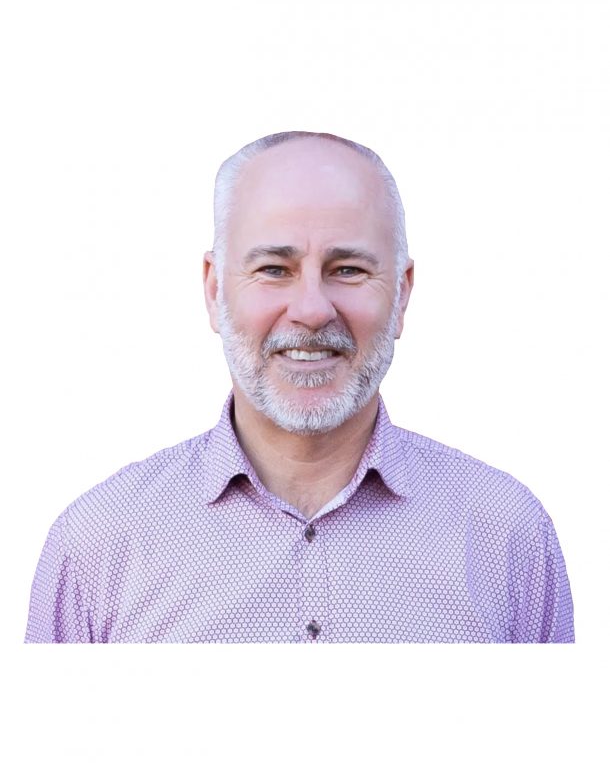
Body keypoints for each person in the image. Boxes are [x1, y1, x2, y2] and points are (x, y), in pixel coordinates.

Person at [24, 130, 574, 643]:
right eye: (273, 269)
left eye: (348, 270)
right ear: (214, 290)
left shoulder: (510, 536)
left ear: (402, 294)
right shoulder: (95, 546)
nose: (312, 309)